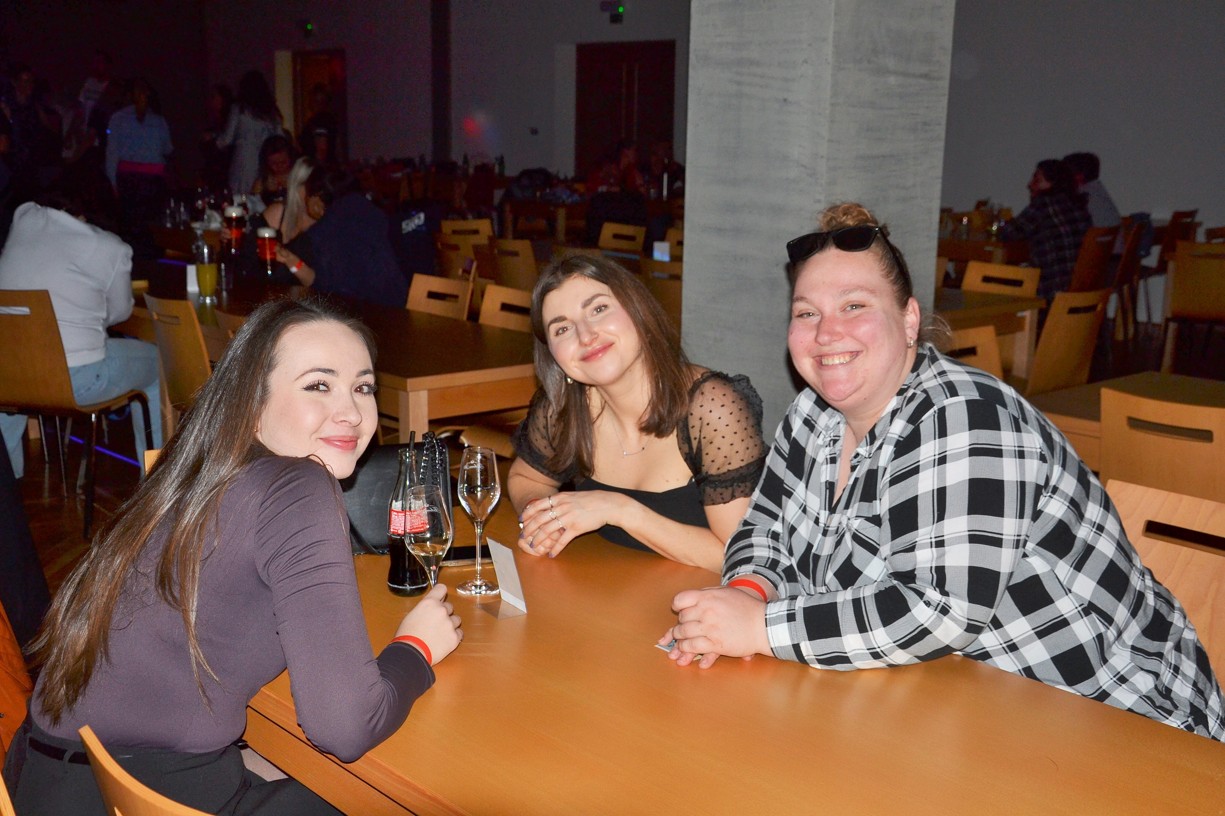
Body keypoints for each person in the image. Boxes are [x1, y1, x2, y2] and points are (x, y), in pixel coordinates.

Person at [660, 202, 1225, 741]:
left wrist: (762, 628)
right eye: (807, 313)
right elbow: (764, 529)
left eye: (854, 306)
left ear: (909, 320)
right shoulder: (813, 415)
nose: (826, 332)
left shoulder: (962, 416)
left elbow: (940, 609)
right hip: (954, 704)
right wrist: (747, 593)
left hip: (1116, 717)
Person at [4, 297, 465, 814]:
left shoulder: (196, 468)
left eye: (362, 387)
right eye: (319, 385)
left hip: (48, 779)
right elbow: (344, 726)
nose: (352, 413)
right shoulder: (299, 486)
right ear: (252, 403)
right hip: (146, 795)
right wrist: (414, 648)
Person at [508, 254, 766, 573]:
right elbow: (525, 478)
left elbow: (741, 555)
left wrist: (619, 510)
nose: (585, 336)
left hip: (702, 596)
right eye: (562, 329)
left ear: (637, 310)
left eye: (598, 310)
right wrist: (544, 519)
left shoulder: (712, 406)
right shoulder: (563, 408)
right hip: (610, 586)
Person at [0, 187, 162, 479]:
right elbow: (120, 313)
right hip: (76, 380)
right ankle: (156, 477)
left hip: (10, 376)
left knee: (15, 374)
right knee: (159, 363)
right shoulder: (112, 248)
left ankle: (7, 484)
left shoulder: (23, 220)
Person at [274, 164, 408, 307]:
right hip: (399, 303)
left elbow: (327, 290)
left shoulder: (326, 230)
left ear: (316, 199)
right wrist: (292, 261)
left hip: (366, 312)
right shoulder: (369, 211)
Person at [997, 158, 1091, 298]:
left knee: (992, 280)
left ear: (1053, 183)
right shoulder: (1078, 206)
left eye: (1037, 180)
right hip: (1080, 291)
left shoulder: (1043, 205)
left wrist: (1001, 223)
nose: (1030, 185)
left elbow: (1008, 234)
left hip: (1050, 290)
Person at [104, 78, 172, 258]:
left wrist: (113, 182)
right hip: (152, 179)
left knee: (132, 228)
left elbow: (112, 153)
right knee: (151, 228)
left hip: (130, 179)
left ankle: (134, 264)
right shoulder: (158, 120)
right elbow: (167, 149)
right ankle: (153, 263)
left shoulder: (118, 118)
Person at [216, 70, 283, 203]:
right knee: (261, 198)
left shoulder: (240, 109)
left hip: (244, 161)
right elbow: (279, 138)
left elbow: (226, 140)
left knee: (240, 199)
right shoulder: (272, 112)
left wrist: (214, 140)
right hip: (265, 161)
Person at [249, 133, 295, 213]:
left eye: (283, 162)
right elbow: (252, 207)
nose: (279, 166)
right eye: (274, 163)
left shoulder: (299, 178)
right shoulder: (261, 183)